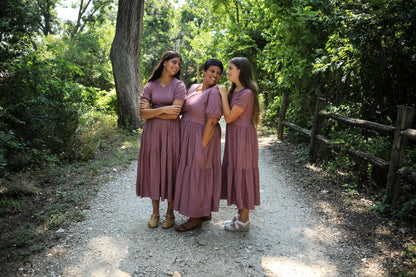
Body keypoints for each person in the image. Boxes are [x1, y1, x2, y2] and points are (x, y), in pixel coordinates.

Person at [136, 51, 186, 229]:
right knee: (154, 170)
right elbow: (142, 113)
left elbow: (175, 114)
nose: (176, 66)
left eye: (179, 64)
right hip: (151, 134)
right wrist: (165, 109)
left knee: (171, 170)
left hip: (172, 134)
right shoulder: (150, 85)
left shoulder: (179, 86)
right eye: (173, 62)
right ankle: (155, 213)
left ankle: (170, 214)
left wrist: (154, 111)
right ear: (164, 63)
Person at [173, 58, 224, 232]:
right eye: (212, 71)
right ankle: (204, 211)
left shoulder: (214, 93)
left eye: (218, 73)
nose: (215, 76)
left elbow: (211, 122)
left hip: (203, 137)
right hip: (188, 135)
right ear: (203, 71)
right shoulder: (194, 87)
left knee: (198, 172)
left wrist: (201, 146)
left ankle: (194, 218)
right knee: (197, 172)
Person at [217, 57, 260, 232]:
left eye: (230, 68)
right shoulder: (236, 91)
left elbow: (228, 117)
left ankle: (244, 220)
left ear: (240, 70)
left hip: (243, 138)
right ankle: (241, 213)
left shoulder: (247, 93)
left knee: (243, 174)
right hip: (235, 137)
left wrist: (222, 94)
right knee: (236, 171)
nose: (227, 71)